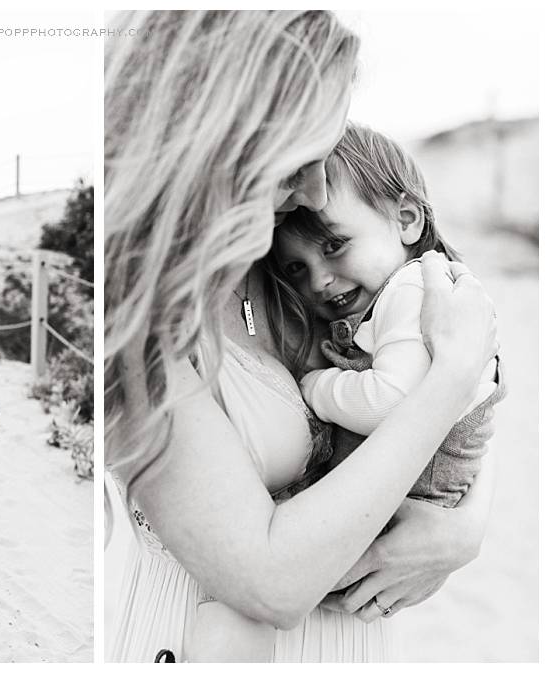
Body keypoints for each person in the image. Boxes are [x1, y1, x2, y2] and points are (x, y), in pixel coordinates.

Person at [104, 10, 497, 663]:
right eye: (305, 150)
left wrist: (466, 526)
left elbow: (465, 389)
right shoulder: (134, 325)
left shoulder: (283, 266)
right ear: (221, 136)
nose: (315, 188)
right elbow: (269, 582)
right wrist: (450, 376)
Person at [189, 123, 506, 661]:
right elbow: (452, 384)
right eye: (297, 267)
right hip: (268, 579)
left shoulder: (412, 291)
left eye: (335, 246)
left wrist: (467, 529)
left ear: (406, 219)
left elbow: (473, 385)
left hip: (365, 554)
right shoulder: (350, 295)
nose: (319, 282)